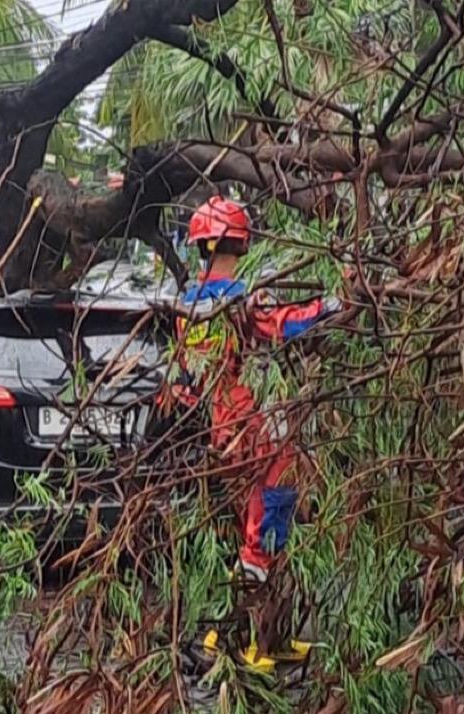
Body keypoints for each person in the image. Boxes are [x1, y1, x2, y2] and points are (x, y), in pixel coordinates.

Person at [168, 197, 342, 669]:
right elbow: (284, 325)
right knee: (268, 532)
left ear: (201, 243)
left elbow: (187, 379)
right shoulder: (241, 300)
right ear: (242, 242)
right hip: (262, 430)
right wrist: (331, 305)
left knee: (262, 531)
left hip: (226, 431)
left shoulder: (187, 307)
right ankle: (240, 640)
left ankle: (269, 638)